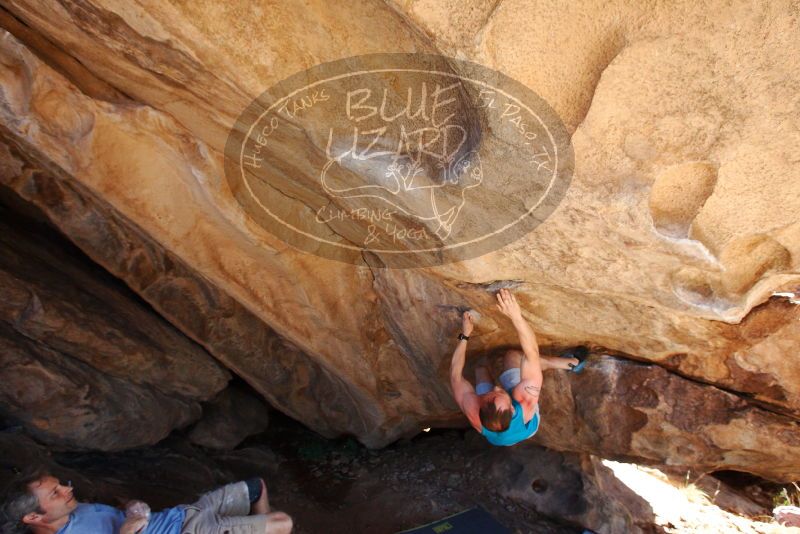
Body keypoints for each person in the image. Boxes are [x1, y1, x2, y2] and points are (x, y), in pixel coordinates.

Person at [449, 288, 588, 446]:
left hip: (498, 439)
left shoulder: (472, 408)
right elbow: (531, 355)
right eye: (501, 393)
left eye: (489, 395)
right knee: (513, 357)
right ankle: (572, 363)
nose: (496, 388)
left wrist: (465, 335)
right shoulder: (524, 401)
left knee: (480, 367)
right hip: (527, 429)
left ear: (481, 406)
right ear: (512, 408)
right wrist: (516, 316)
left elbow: (455, 375)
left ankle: (493, 391)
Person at [0, 469, 293, 534]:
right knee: (282, 523)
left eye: (61, 484)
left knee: (257, 488)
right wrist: (129, 529)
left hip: (179, 515)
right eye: (56, 493)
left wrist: (130, 506)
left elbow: (115, 517)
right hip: (185, 532)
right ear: (34, 517)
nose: (67, 489)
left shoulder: (74, 510)